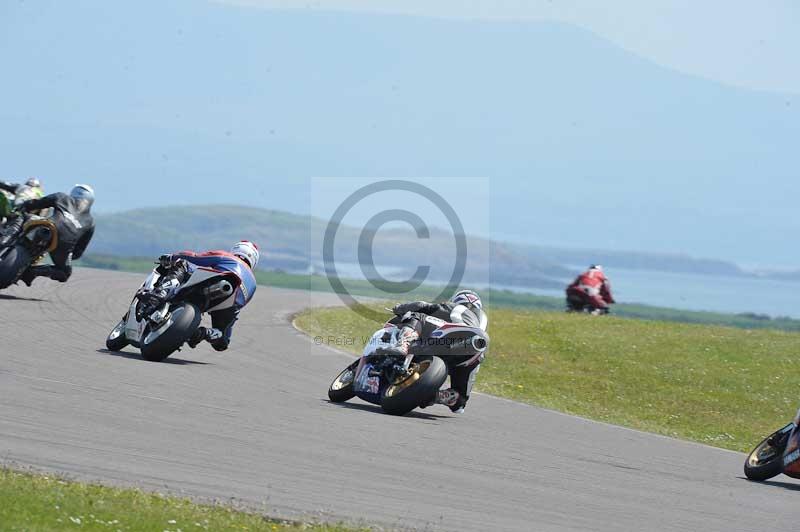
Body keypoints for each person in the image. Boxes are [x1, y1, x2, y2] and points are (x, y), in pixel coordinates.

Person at [383, 289, 488, 414]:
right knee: (460, 399)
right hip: (474, 352)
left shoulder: (456, 308)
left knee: (417, 316)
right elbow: (459, 407)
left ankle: (403, 344)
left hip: (451, 335)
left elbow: (422, 306)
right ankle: (438, 396)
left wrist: (400, 308)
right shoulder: (480, 323)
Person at [147, 241, 259, 352]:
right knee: (223, 343)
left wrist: (172, 257)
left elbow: (195, 257)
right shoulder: (253, 284)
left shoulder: (227, 256)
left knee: (182, 264)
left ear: (236, 250)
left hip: (212, 284)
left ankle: (161, 292)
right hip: (228, 304)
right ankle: (205, 333)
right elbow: (237, 309)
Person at [8, 184, 96, 286]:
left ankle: (7, 239)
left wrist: (24, 206)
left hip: (49, 225)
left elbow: (38, 203)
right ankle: (32, 272)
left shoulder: (62, 197)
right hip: (64, 244)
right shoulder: (90, 222)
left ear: (74, 193)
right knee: (64, 273)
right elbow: (79, 250)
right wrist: (69, 254)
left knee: (23, 217)